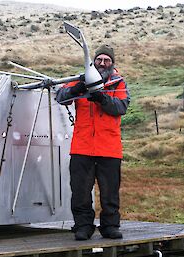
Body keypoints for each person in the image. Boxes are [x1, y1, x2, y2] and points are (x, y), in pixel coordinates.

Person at [56, 44, 130, 240]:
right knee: (80, 192)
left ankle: (110, 226)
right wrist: (79, 88)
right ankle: (83, 226)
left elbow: (120, 107)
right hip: (82, 148)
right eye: (99, 59)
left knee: (110, 193)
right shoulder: (82, 79)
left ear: (112, 63)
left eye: (107, 60)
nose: (102, 63)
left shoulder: (118, 83)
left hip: (109, 149)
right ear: (93, 61)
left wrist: (100, 97)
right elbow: (61, 97)